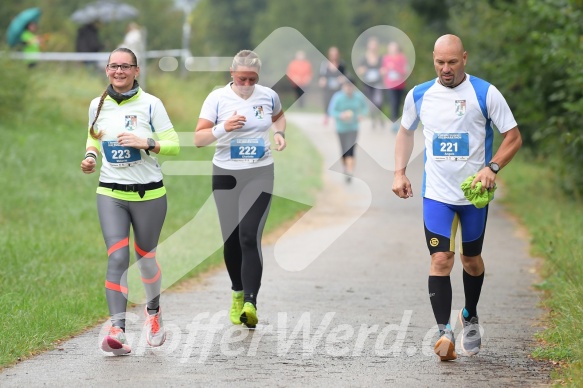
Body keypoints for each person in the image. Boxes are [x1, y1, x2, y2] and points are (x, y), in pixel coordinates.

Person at [391, 35, 522, 361]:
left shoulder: (485, 92)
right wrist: (399, 171)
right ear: (433, 59)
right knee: (440, 260)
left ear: (464, 58)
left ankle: (470, 315)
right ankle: (443, 331)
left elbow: (514, 137)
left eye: (452, 62)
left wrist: (492, 167)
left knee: (471, 261)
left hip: (474, 197)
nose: (445, 69)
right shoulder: (419, 94)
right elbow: (405, 132)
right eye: (440, 62)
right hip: (436, 195)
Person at [80, 48, 180, 355]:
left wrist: (146, 142)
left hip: (148, 194)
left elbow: (174, 145)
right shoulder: (97, 105)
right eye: (114, 66)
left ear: (136, 71)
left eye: (125, 66)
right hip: (110, 193)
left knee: (145, 259)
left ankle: (154, 313)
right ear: (107, 70)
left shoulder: (151, 104)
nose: (119, 71)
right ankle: (118, 330)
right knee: (118, 258)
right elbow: (94, 136)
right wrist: (90, 156)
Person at [194, 50, 286, 329]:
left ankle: (250, 302)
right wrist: (224, 127)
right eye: (242, 79)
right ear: (231, 74)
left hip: (259, 173)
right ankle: (236, 292)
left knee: (249, 236)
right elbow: (199, 138)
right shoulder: (217, 98)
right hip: (226, 175)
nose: (247, 84)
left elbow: (279, 117)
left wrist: (279, 133)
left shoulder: (268, 95)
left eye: (252, 79)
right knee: (231, 239)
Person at [328, 78, 368, 183]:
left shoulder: (358, 97)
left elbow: (365, 107)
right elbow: (331, 111)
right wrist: (341, 115)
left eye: (351, 86)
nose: (349, 88)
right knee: (344, 151)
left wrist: (362, 115)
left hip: (353, 127)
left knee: (351, 149)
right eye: (347, 86)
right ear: (343, 86)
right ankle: (346, 168)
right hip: (341, 128)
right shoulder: (338, 97)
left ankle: (350, 172)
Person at [381, 41, 409, 132]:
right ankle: (394, 122)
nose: (392, 50)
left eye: (394, 48)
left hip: (400, 84)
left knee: (398, 103)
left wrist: (395, 68)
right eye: (391, 48)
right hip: (390, 85)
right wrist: (386, 70)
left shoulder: (402, 58)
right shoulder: (386, 58)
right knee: (393, 103)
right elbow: (382, 71)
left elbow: (405, 71)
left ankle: (398, 120)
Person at [356, 36, 384, 128]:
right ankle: (374, 120)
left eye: (375, 45)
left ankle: (379, 116)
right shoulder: (363, 57)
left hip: (378, 83)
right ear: (368, 46)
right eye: (371, 45)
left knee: (378, 101)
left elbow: (385, 69)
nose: (373, 47)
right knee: (371, 103)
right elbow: (359, 70)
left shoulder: (380, 58)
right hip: (367, 84)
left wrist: (383, 71)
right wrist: (362, 70)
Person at [318, 46, 346, 125]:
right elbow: (321, 75)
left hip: (338, 87)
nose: (334, 55)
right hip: (328, 87)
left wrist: (342, 79)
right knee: (327, 100)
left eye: (335, 54)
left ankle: (339, 117)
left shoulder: (341, 64)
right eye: (332, 54)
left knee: (339, 101)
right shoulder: (324, 64)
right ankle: (326, 116)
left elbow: (344, 75)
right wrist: (322, 80)